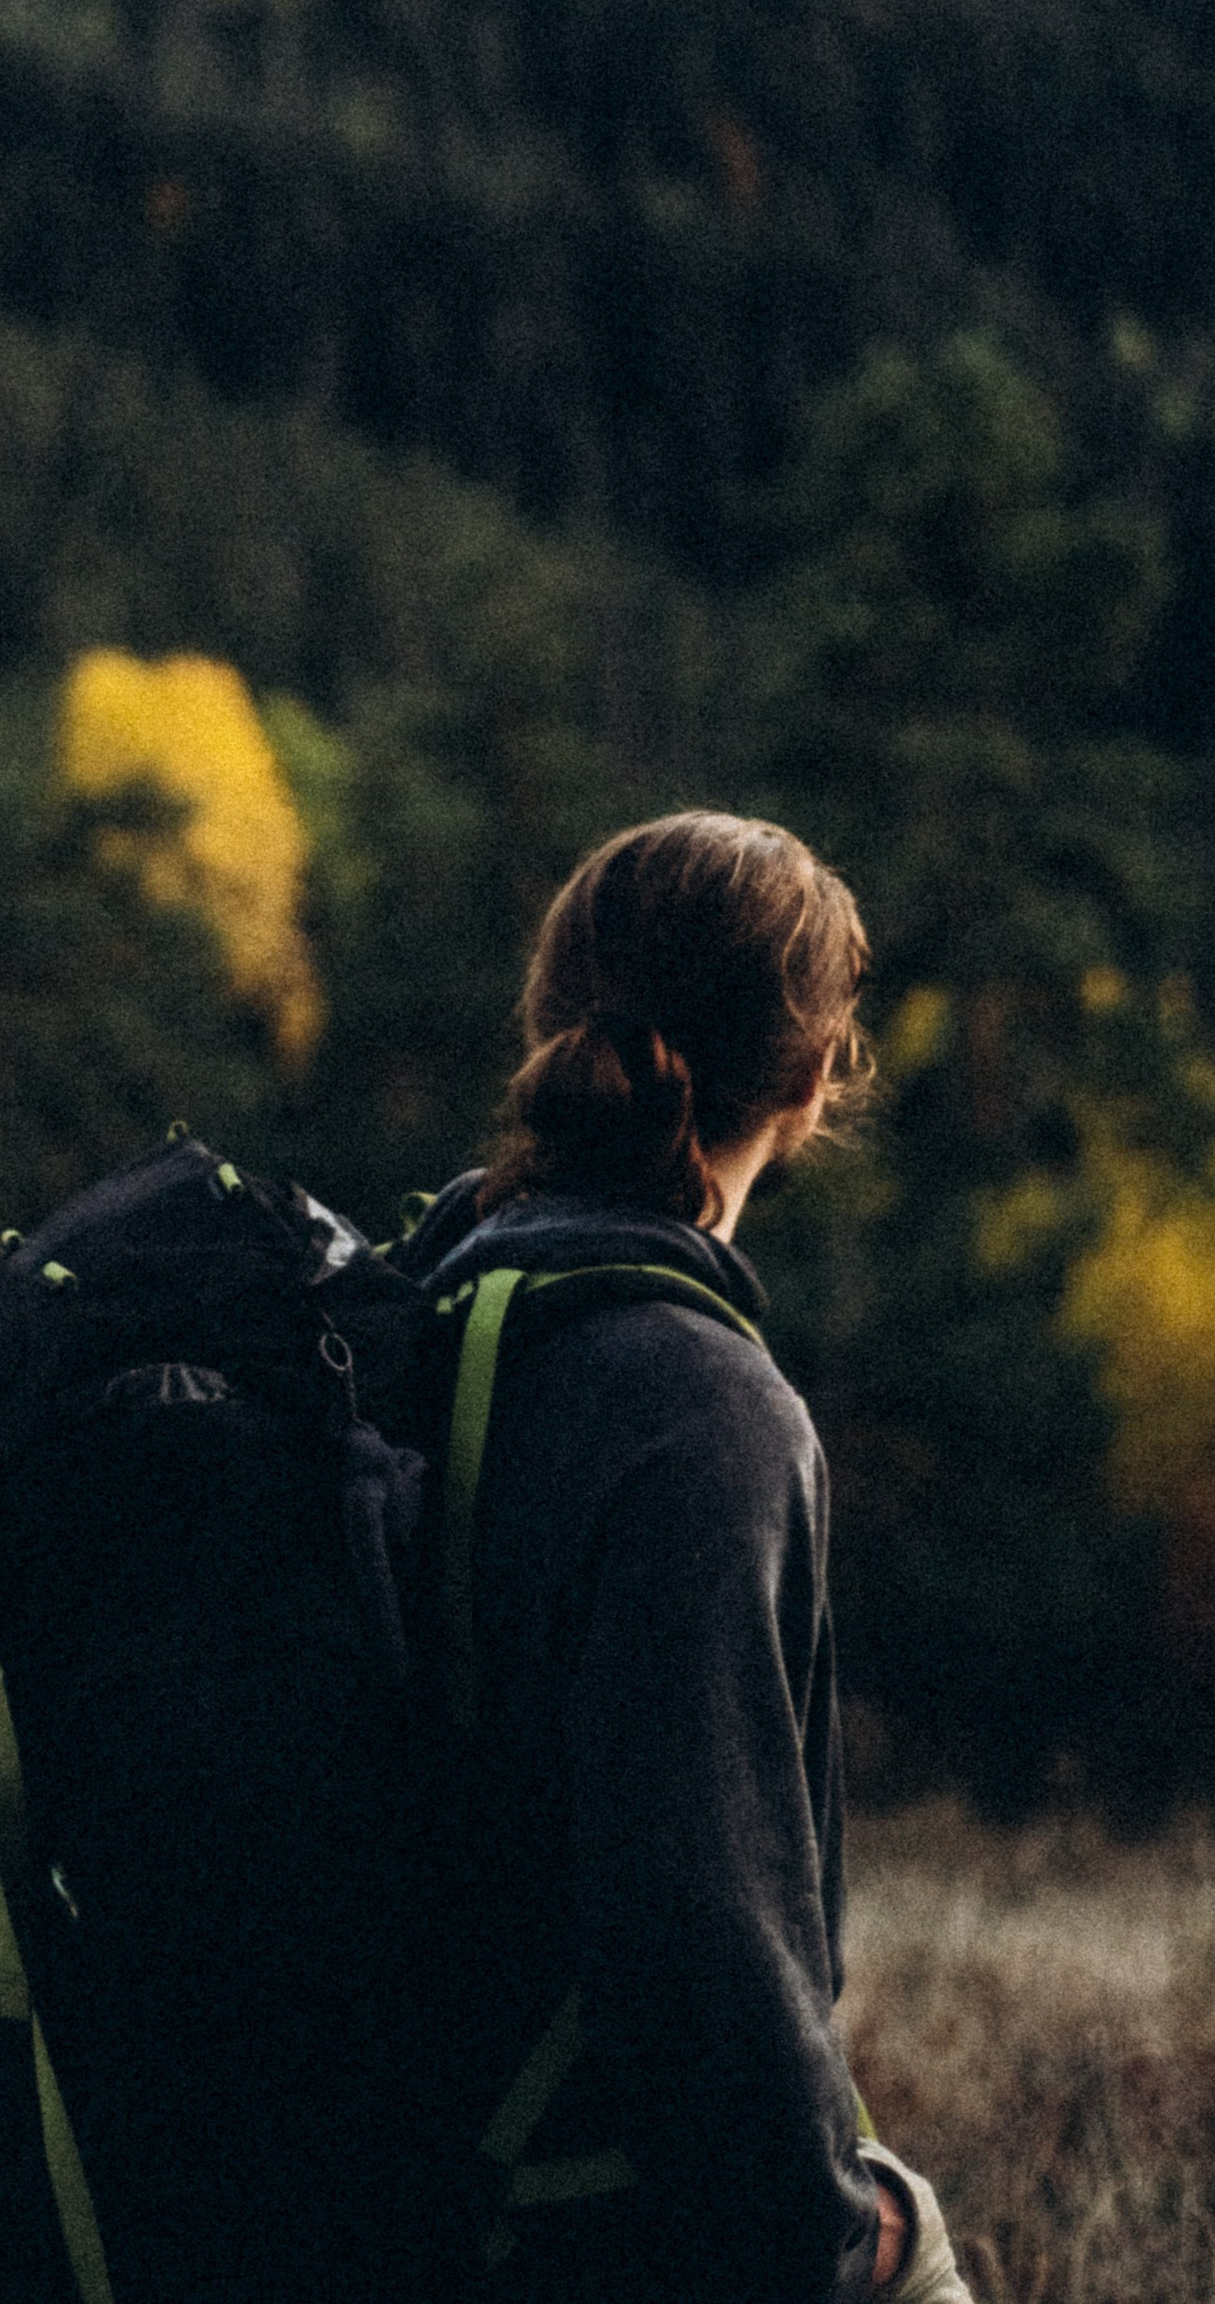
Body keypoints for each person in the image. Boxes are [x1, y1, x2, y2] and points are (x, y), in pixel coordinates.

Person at [399, 809, 975, 2304]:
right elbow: (703, 1938)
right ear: (812, 1078)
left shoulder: (419, 1322)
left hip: (370, 2167)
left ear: (552, 1021)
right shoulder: (701, 1414)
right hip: (566, 2222)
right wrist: (847, 2245)